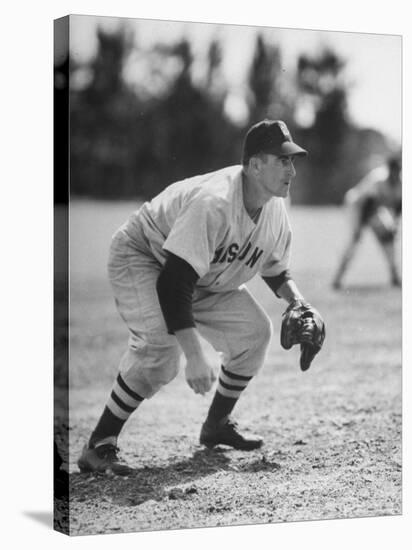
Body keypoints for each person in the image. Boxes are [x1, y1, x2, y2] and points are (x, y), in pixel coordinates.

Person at [78, 119, 320, 476]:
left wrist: (299, 303)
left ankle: (216, 427)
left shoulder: (274, 210)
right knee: (161, 351)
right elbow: (173, 282)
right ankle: (99, 444)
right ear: (254, 165)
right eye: (282, 160)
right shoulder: (215, 202)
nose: (292, 170)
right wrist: (193, 354)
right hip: (146, 255)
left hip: (198, 275)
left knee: (254, 332)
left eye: (292, 160)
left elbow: (274, 269)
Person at [332, 154, 402, 289]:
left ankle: (394, 276)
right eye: (394, 169)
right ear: (389, 169)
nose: (396, 172)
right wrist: (359, 229)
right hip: (356, 205)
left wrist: (394, 225)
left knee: (388, 238)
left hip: (374, 210)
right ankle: (337, 279)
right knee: (354, 240)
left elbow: (399, 207)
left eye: (398, 169)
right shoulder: (379, 179)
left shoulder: (401, 183)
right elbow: (368, 205)